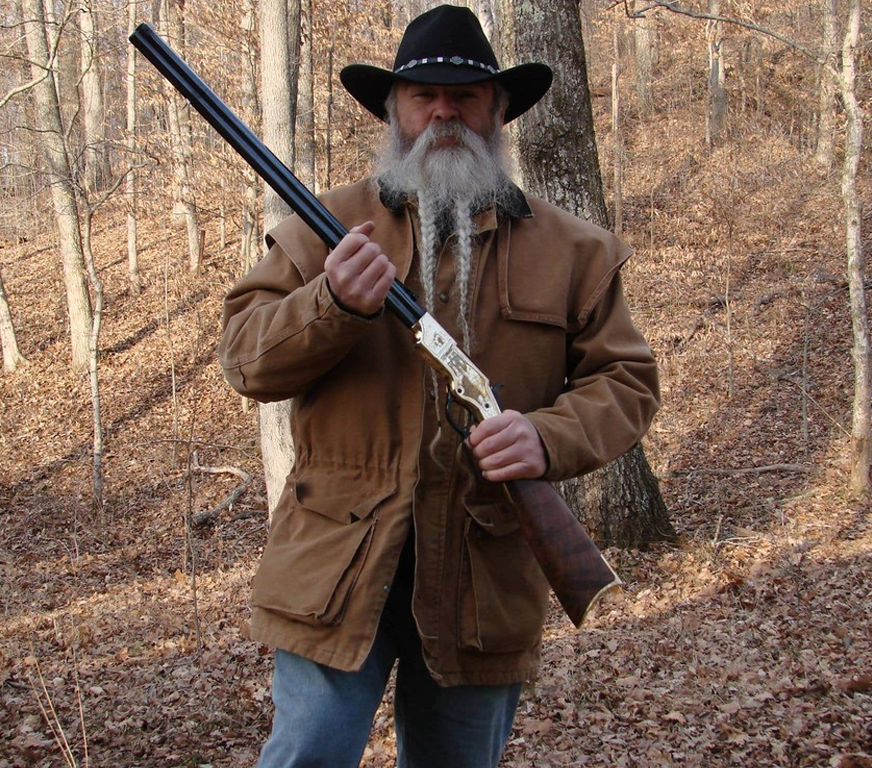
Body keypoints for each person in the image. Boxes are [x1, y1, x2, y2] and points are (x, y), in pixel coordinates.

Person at [218, 5, 660, 767]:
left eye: (465, 97)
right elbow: (245, 363)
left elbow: (626, 381)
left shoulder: (576, 250)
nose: (444, 113)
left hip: (484, 571)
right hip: (339, 557)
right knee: (308, 754)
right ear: (394, 110)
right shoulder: (321, 228)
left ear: (498, 110)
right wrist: (333, 303)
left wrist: (545, 437)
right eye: (423, 95)